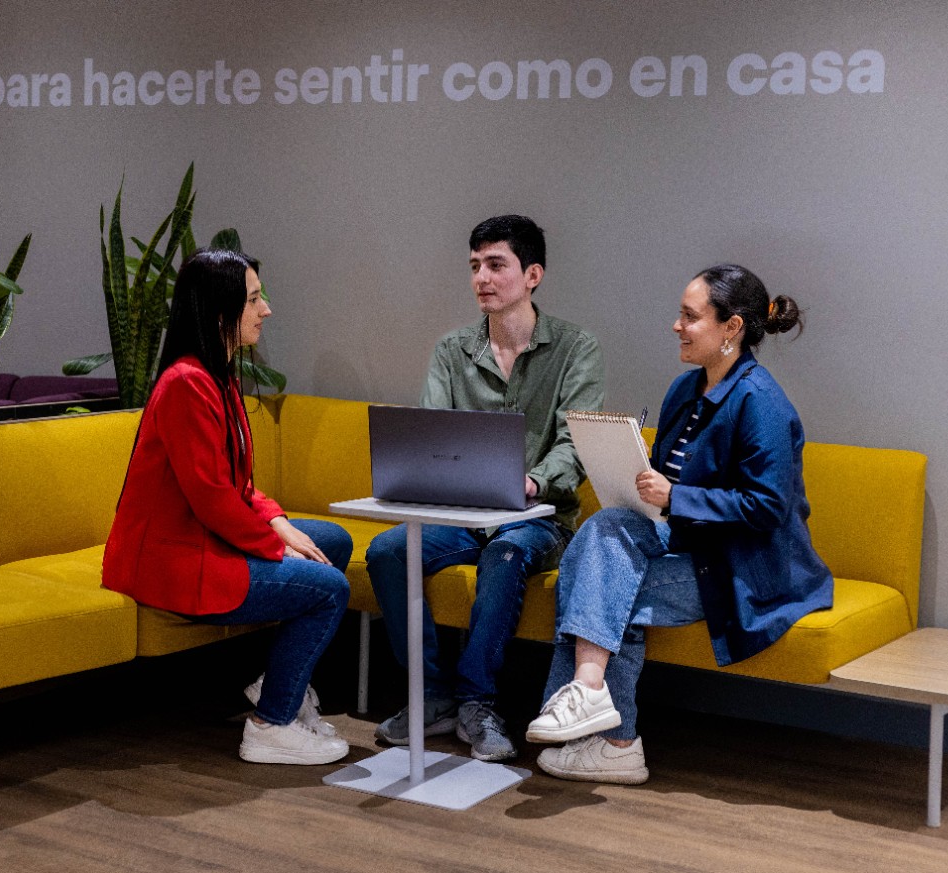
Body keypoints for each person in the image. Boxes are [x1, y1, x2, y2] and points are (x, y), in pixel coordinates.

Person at [525, 263, 833, 783]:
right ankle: (593, 698)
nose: (677, 325)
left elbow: (768, 509)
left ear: (731, 328)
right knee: (602, 531)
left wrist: (678, 496)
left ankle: (612, 737)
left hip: (745, 567)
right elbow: (667, 486)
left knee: (597, 590)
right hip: (688, 545)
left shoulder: (762, 403)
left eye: (690, 317)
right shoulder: (684, 391)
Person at [366, 215, 605, 761]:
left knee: (507, 551)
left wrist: (532, 479)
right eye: (475, 266)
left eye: (496, 265)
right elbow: (431, 433)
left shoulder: (576, 349)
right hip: (460, 516)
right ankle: (432, 696)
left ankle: (478, 701)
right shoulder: (453, 350)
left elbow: (577, 442)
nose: (482, 278)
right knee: (387, 549)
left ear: (533, 274)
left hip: (538, 520)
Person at [103, 249, 353, 766]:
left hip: (203, 538)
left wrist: (280, 524)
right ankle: (270, 724)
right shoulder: (186, 384)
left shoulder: (217, 376)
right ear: (221, 312)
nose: (267, 310)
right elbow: (212, 499)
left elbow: (238, 485)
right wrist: (279, 550)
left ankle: (278, 683)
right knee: (329, 588)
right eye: (255, 299)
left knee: (333, 541)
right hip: (173, 560)